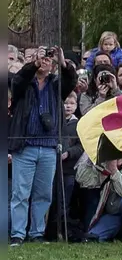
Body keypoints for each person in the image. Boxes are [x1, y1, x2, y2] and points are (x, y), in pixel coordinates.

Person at [9, 47, 77, 245]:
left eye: (49, 58)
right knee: (20, 193)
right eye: (42, 56)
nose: (45, 61)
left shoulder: (57, 84)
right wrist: (34, 64)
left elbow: (71, 82)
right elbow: (17, 81)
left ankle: (36, 233)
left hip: (48, 147)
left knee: (43, 194)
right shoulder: (24, 82)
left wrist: (63, 61)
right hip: (25, 145)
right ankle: (18, 234)